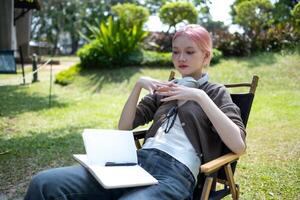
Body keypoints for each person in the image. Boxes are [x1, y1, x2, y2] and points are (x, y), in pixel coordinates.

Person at [24, 24, 246, 200]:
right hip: (136, 163)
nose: (181, 58)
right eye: (176, 52)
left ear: (206, 57)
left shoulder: (215, 92)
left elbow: (238, 145)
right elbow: (125, 127)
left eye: (190, 52)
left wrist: (199, 96)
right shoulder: (166, 89)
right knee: (43, 183)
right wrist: (138, 85)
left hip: (175, 174)